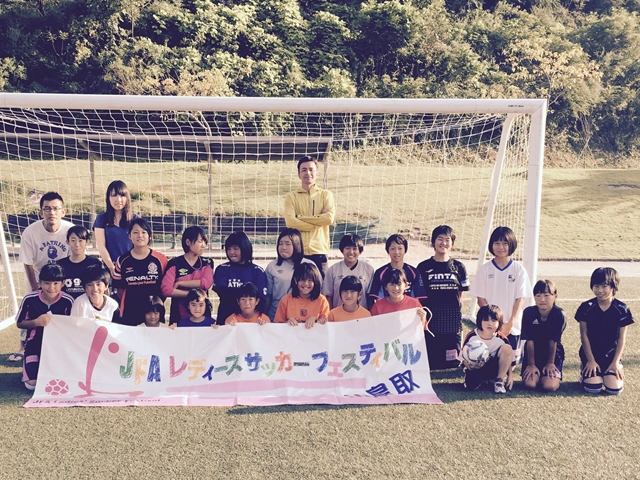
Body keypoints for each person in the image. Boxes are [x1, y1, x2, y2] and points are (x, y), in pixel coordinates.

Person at [13, 191, 73, 362]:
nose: (51, 212)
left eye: (55, 208)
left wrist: (62, 284)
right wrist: (34, 287)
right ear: (41, 212)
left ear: (63, 211)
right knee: (30, 309)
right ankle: (23, 345)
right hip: (38, 276)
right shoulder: (30, 232)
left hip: (61, 278)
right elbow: (27, 262)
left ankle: (62, 343)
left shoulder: (69, 231)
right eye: (47, 208)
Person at [469, 226, 531, 364]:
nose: (500, 247)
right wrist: (492, 321)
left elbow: (520, 299)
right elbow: (480, 298)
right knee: (486, 361)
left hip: (511, 327)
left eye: (505, 243)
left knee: (511, 363)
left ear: (511, 245)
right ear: (491, 245)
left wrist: (510, 323)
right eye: (497, 243)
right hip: (490, 326)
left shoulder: (519, 270)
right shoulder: (485, 269)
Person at [417, 225, 469, 370]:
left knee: (451, 364)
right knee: (432, 363)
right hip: (431, 321)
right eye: (440, 239)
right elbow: (419, 295)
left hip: (451, 321)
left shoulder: (459, 267)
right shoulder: (423, 267)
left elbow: (461, 293)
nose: (443, 243)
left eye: (447, 240)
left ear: (452, 243)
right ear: (433, 242)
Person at [15, 263, 74, 390]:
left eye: (56, 283)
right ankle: (29, 368)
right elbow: (19, 323)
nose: (51, 287)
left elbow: (72, 327)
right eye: (47, 283)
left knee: (66, 379)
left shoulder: (68, 301)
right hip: (34, 345)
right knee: (31, 385)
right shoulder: (30, 299)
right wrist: (36, 322)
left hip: (58, 347)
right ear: (40, 282)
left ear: (63, 283)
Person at [576, 267, 634, 395]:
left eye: (604, 286)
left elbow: (621, 338)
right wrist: (590, 360)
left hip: (611, 355)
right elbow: (584, 335)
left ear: (613, 286)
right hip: (591, 354)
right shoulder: (586, 308)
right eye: (596, 286)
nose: (599, 290)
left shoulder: (622, 309)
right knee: (593, 388)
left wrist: (615, 362)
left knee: (614, 390)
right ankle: (584, 370)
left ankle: (611, 370)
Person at [284, 156, 335, 277]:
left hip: (319, 251)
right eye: (304, 170)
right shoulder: (291, 197)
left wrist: (301, 217)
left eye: (311, 169)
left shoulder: (326, 195)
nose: (308, 173)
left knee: (322, 291)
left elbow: (328, 219)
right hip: (298, 251)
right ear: (299, 174)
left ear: (316, 173)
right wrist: (316, 224)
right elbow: (290, 222)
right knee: (298, 290)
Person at [112, 218, 168, 326]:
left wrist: (155, 303)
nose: (140, 236)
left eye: (144, 232)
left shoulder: (160, 259)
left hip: (153, 313)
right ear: (129, 236)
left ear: (150, 236)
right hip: (131, 312)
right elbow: (119, 289)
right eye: (135, 232)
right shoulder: (122, 260)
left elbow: (166, 286)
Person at [161, 225, 214, 325]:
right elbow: (166, 290)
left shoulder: (207, 262)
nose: (203, 245)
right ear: (188, 242)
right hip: (179, 316)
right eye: (199, 241)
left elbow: (206, 283)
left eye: (204, 242)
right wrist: (193, 296)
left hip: (202, 316)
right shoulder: (175, 263)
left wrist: (181, 283)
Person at [213, 231, 267, 326]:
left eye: (235, 248)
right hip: (226, 319)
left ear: (244, 248)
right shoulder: (222, 269)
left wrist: (234, 292)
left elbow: (261, 300)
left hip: (251, 323)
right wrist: (247, 292)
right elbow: (222, 292)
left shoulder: (257, 271)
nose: (231, 252)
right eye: (228, 249)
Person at [521, 279, 566, 392]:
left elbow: (553, 340)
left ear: (555, 296)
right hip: (533, 353)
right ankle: (537, 374)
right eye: (538, 295)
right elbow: (529, 340)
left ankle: (547, 376)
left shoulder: (559, 314)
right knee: (530, 385)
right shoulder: (529, 312)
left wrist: (551, 363)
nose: (542, 299)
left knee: (550, 386)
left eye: (546, 295)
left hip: (553, 354)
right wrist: (531, 364)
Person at [264, 228, 315, 321]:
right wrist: (264, 315)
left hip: (303, 317)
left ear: (296, 245)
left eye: (287, 244)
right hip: (277, 315)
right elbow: (268, 295)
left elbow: (317, 293)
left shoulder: (309, 265)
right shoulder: (272, 266)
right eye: (280, 243)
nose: (283, 247)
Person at [462, 305, 513, 394]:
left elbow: (508, 357)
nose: (490, 323)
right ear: (479, 320)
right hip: (475, 368)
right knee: (471, 386)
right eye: (486, 319)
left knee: (507, 348)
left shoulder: (501, 339)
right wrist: (471, 367)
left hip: (493, 367)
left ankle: (499, 381)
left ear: (499, 322)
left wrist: (510, 376)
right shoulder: (472, 336)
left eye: (493, 320)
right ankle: (474, 379)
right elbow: (462, 357)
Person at [368, 233, 426, 309]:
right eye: (393, 248)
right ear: (387, 251)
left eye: (400, 248)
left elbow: (418, 298)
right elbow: (377, 298)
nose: (396, 252)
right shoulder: (380, 273)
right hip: (387, 314)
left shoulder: (414, 272)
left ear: (405, 250)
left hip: (408, 313)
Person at [93, 180, 138, 277]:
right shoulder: (101, 219)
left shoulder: (135, 219)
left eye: (122, 195)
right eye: (114, 195)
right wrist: (112, 267)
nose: (118, 199)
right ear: (108, 198)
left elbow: (140, 245)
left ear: (127, 197)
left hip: (132, 268)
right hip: (110, 268)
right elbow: (101, 246)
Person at [322, 233, 374, 309]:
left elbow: (370, 297)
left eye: (354, 248)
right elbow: (328, 296)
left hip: (362, 317)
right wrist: (330, 315)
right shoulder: (332, 270)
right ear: (342, 250)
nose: (351, 252)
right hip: (339, 317)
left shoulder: (369, 269)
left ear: (360, 250)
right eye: (347, 248)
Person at [274, 262, 330, 328]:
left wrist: (316, 320)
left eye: (310, 280)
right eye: (302, 280)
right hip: (291, 337)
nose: (306, 283)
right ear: (295, 280)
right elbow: (277, 326)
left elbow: (327, 325)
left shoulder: (322, 300)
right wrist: (287, 323)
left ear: (315, 281)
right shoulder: (286, 300)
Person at [57, 225, 102, 300]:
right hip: (66, 305)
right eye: (73, 240)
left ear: (87, 242)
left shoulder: (95, 263)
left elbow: (102, 286)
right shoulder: (60, 264)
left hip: (88, 305)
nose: (77, 244)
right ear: (67, 242)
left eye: (80, 240)